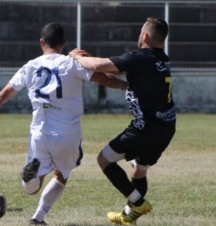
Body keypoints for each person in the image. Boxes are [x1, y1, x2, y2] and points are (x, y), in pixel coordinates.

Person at [0, 22, 128, 225]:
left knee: (32, 188)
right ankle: (37, 217)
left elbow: (4, 94)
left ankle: (29, 181)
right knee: (62, 174)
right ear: (64, 43)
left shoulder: (30, 66)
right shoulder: (71, 63)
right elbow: (105, 79)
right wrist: (126, 86)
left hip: (39, 132)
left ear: (42, 42)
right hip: (68, 132)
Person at [69, 17, 176, 225]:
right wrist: (96, 64)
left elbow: (99, 65)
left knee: (104, 159)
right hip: (166, 125)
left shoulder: (140, 57)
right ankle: (129, 215)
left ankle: (137, 202)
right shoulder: (161, 58)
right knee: (138, 170)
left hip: (145, 128)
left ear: (144, 36)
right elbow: (111, 68)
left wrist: (75, 56)